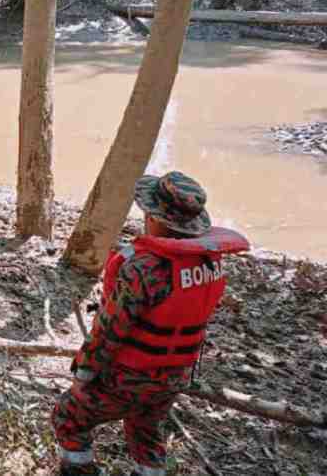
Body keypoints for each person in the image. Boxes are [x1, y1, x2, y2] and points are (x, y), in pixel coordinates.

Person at [52, 172, 250, 476]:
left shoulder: (144, 268)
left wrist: (84, 372)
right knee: (146, 429)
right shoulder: (212, 264)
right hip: (173, 379)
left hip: (128, 378)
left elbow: (109, 330)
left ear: (155, 217)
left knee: (69, 416)